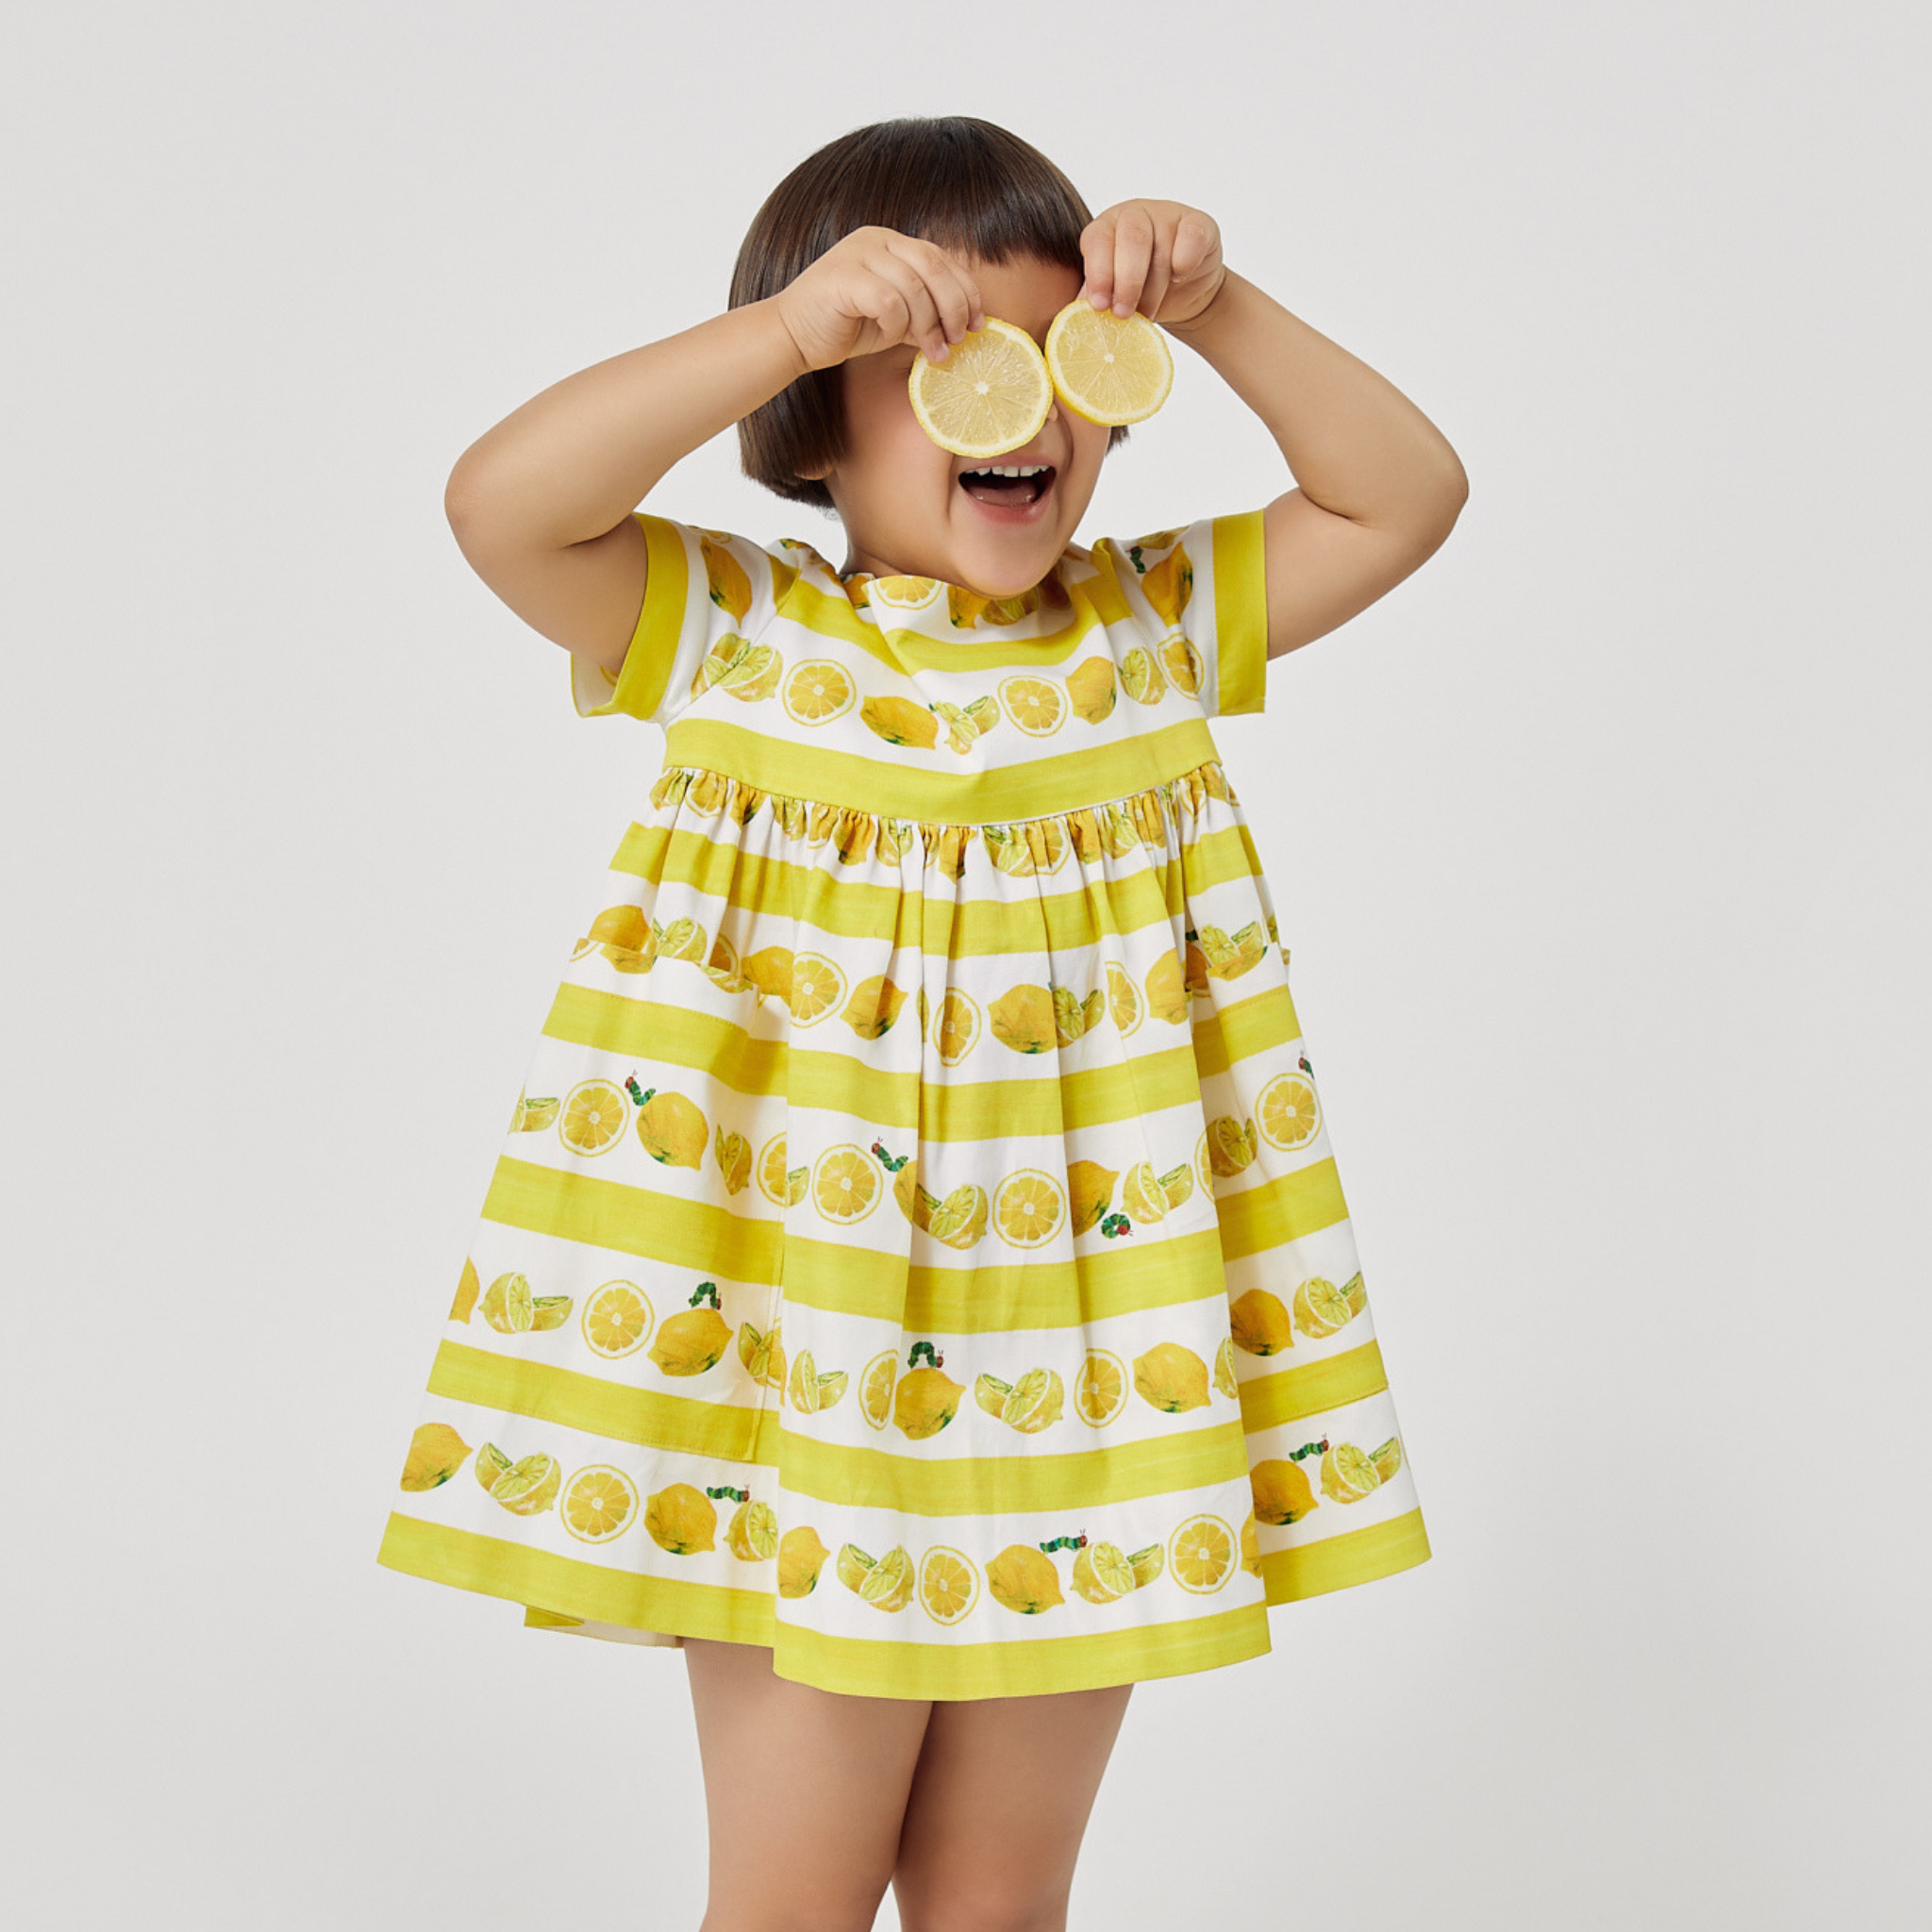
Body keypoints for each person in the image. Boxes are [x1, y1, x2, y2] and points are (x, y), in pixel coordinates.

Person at [376, 114, 1467, 1931]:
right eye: (944, 366)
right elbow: (502, 502)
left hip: (1102, 1367)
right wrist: (790, 331)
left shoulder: (1153, 632)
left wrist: (1222, 304)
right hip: (801, 1374)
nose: (1021, 411)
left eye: (1064, 367)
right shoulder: (733, 635)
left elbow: (1403, 495)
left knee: (998, 1903)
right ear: (825, 419)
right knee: (794, 1896)